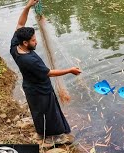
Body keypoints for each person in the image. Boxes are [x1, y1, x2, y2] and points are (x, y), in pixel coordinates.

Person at [10, 0, 81, 144]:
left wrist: (28, 6)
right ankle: (52, 138)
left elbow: (20, 24)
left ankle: (43, 133)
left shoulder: (15, 45)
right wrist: (70, 70)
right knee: (49, 113)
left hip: (30, 87)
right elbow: (50, 73)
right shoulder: (29, 60)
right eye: (33, 40)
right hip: (40, 89)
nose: (36, 42)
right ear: (25, 43)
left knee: (39, 112)